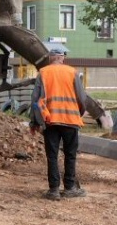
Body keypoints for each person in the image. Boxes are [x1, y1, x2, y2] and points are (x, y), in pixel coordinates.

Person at [30, 47, 89, 201]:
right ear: (62, 58)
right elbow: (82, 98)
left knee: (52, 156)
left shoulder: (43, 72)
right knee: (70, 155)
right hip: (71, 120)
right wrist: (79, 113)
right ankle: (69, 188)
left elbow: (35, 99)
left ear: (50, 58)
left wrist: (34, 122)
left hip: (50, 121)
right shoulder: (72, 72)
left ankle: (54, 190)